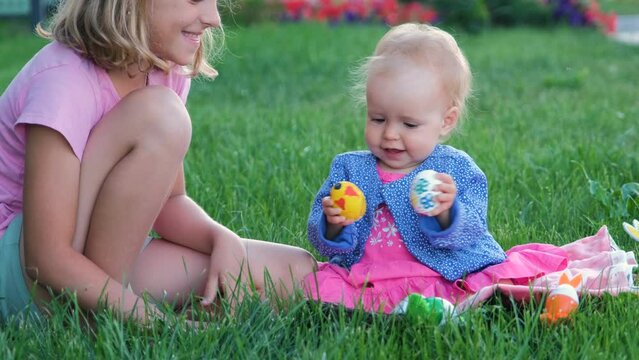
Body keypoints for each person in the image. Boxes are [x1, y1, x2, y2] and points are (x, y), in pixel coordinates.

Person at [0, 0, 316, 323]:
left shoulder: (165, 69)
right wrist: (153, 321)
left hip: (103, 257)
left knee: (296, 272)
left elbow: (169, 203)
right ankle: (95, 320)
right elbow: (46, 259)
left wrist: (221, 238)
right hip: (28, 273)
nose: (214, 19)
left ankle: (121, 307)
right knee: (163, 115)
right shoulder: (64, 81)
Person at [303, 23, 567, 314]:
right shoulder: (349, 169)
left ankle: (432, 310)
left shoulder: (454, 170)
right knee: (315, 288)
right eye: (378, 119)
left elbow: (474, 230)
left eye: (410, 124)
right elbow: (322, 242)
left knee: (475, 293)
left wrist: (446, 214)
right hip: (367, 279)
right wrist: (332, 223)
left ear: (446, 121)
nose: (390, 134)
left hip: (440, 275)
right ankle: (394, 311)